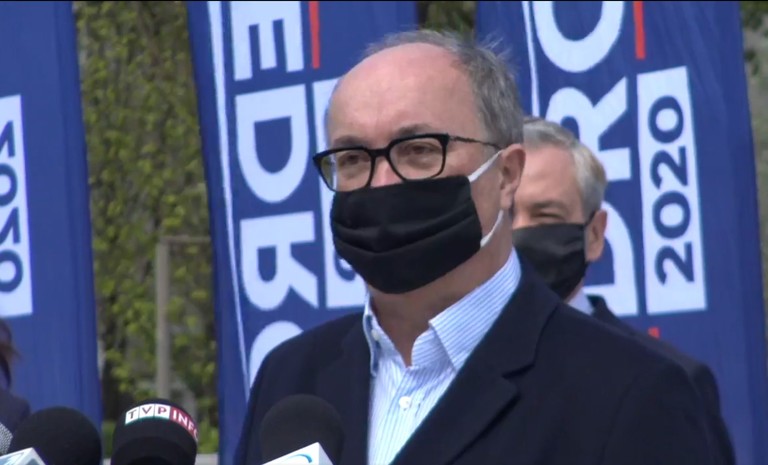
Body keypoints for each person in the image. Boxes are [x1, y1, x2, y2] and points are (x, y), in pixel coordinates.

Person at [235, 30, 715, 465]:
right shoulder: (291, 377)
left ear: (506, 175)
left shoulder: (629, 392)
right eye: (353, 158)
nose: (381, 184)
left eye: (419, 151)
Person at [511, 116, 735, 464]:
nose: (518, 233)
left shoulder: (668, 381)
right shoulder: (440, 369)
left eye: (546, 216)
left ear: (595, 234)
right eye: (504, 215)